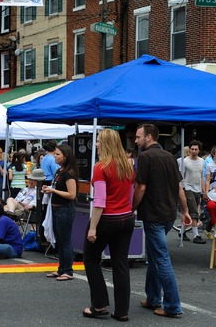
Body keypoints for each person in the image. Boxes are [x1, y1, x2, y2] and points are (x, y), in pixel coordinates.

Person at [132, 124, 191, 318]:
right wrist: (185, 210)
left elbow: (140, 187)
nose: (135, 140)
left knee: (161, 258)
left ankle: (173, 305)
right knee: (155, 255)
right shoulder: (169, 157)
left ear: (149, 137)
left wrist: (131, 207)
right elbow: (179, 187)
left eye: (138, 137)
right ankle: (153, 297)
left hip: (153, 214)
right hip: (167, 214)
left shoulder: (145, 157)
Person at [82, 129, 135, 322]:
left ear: (105, 144)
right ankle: (122, 311)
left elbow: (100, 201)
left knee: (91, 259)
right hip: (126, 217)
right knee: (120, 263)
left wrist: (93, 227)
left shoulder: (101, 167)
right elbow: (130, 194)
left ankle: (99, 304)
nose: (95, 145)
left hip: (107, 218)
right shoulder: (128, 166)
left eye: (98, 142)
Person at [42, 144, 78, 281]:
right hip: (57, 209)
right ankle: (61, 269)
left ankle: (68, 270)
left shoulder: (69, 173)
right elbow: (57, 188)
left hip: (65, 209)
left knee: (65, 240)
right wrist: (49, 188)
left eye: (57, 154)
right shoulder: (59, 171)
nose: (54, 156)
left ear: (65, 157)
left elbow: (72, 194)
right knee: (60, 240)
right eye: (55, 154)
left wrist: (53, 190)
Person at [180, 140, 206, 244]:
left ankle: (182, 232)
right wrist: (181, 189)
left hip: (198, 188)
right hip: (187, 187)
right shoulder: (185, 161)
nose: (193, 151)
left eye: (196, 149)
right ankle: (196, 235)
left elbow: (201, 177)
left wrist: (204, 191)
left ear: (199, 150)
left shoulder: (202, 161)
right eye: (192, 149)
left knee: (190, 212)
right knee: (194, 211)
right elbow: (181, 176)